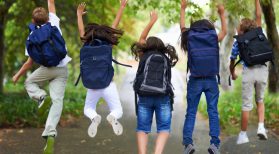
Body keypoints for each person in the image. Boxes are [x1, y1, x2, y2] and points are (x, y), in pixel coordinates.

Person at [12, 0, 71, 153]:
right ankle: (50, 133)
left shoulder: (32, 36)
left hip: (45, 69)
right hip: (62, 69)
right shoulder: (54, 24)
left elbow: (29, 63)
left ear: (33, 20)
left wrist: (17, 76)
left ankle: (42, 97)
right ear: (48, 17)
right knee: (57, 101)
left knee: (29, 83)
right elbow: (51, 2)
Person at [180, 0, 227, 153]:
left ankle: (188, 144)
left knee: (191, 112)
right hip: (211, 79)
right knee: (213, 111)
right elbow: (225, 32)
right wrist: (221, 13)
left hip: (195, 80)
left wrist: (183, 8)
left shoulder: (190, 36)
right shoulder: (213, 36)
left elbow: (182, 28)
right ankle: (215, 144)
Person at [76, 0, 128, 138]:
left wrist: (79, 15)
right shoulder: (108, 45)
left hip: (92, 85)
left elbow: (81, 31)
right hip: (108, 83)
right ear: (106, 34)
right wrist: (121, 7)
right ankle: (112, 116)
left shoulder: (86, 44)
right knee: (118, 110)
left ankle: (94, 117)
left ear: (89, 34)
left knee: (88, 108)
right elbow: (114, 26)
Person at [131, 11, 179, 154]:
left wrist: (152, 21)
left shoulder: (143, 55)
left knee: (142, 128)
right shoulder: (165, 57)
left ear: (148, 46)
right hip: (162, 96)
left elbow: (142, 37)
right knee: (164, 128)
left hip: (145, 95)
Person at [230, 0, 269, 145]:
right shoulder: (259, 32)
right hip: (263, 70)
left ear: (241, 30)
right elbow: (258, 15)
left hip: (248, 72)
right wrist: (257, 1)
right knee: (260, 100)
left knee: (246, 105)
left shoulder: (238, 41)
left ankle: (243, 135)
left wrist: (232, 74)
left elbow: (232, 59)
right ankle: (261, 127)